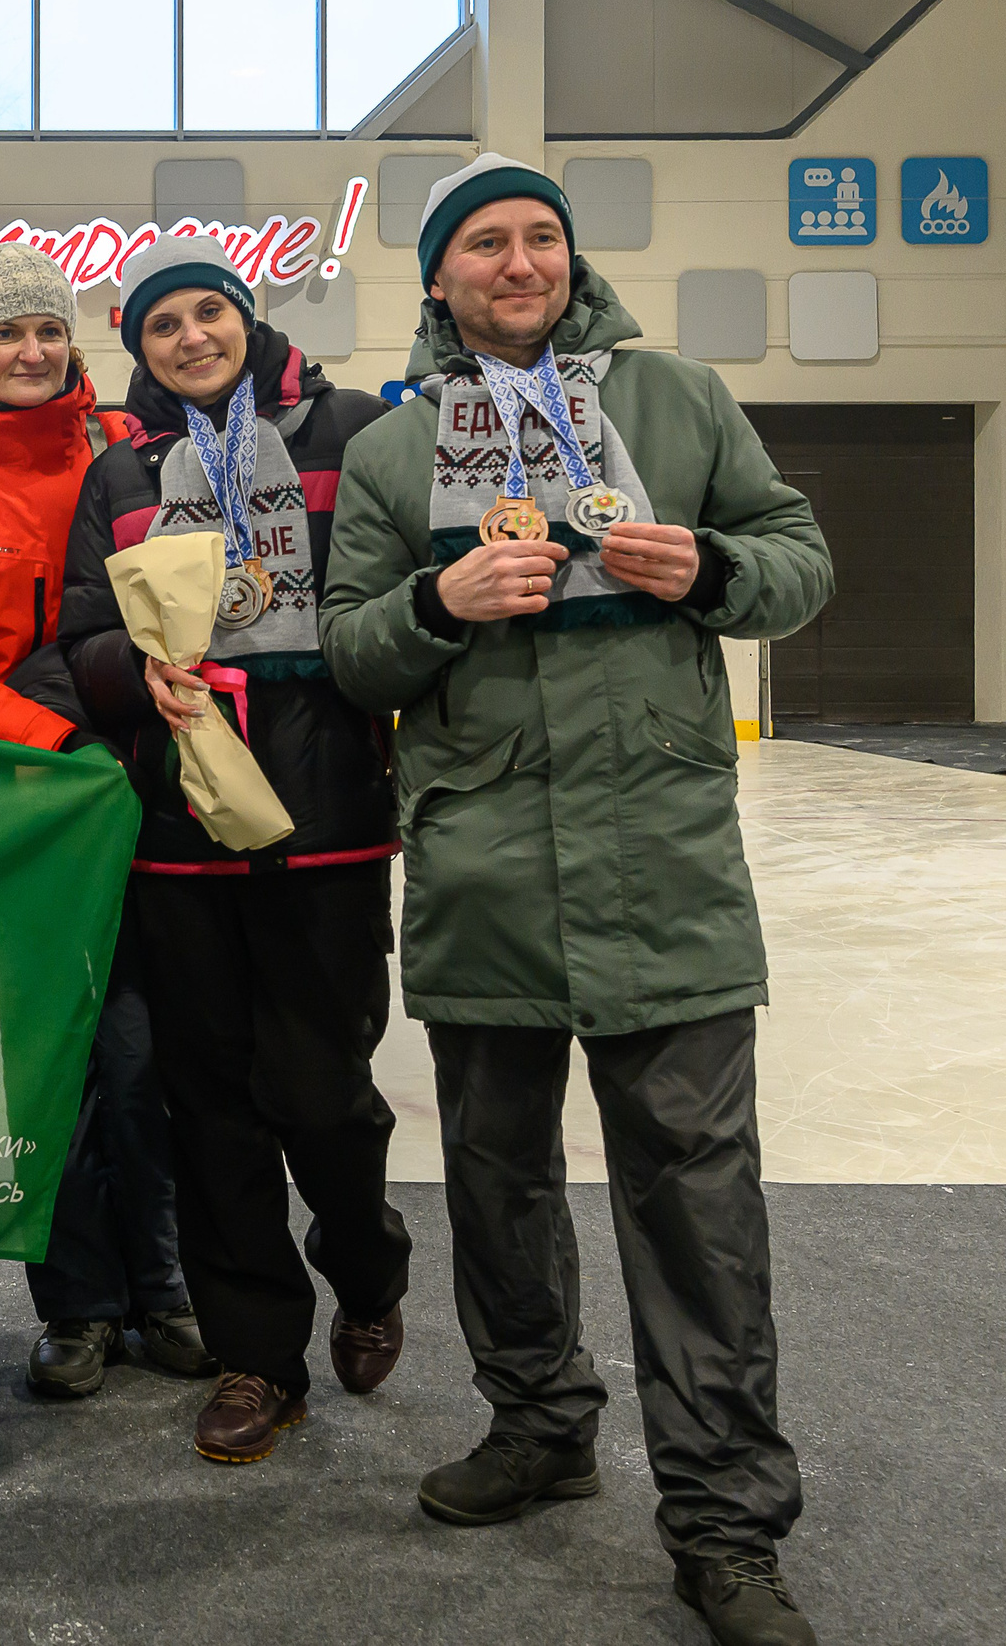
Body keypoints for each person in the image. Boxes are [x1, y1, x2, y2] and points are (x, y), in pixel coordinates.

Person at [318, 154, 833, 1646]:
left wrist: (715, 564)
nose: (520, 260)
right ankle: (539, 1422)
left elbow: (799, 561)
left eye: (542, 235)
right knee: (496, 1175)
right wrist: (436, 603)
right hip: (483, 867)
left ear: (571, 258)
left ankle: (727, 1521)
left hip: (662, 859)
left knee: (698, 1202)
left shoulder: (675, 398)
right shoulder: (394, 447)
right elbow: (351, 649)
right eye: (486, 242)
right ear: (439, 277)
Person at [58, 235, 408, 1461]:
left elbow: (399, 597)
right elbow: (79, 635)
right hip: (182, 828)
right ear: (138, 347)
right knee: (209, 1108)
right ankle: (260, 1357)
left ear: (248, 321)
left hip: (323, 822)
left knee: (321, 1095)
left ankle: (367, 1263)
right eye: (163, 325)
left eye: (209, 313)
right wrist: (128, 674)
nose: (190, 337)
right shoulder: (122, 469)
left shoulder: (347, 428)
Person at [0, 241, 209, 1397]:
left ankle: (164, 1290)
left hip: (156, 802)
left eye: (48, 331)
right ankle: (77, 1308)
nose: (32, 351)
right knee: (64, 1068)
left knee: (149, 1065)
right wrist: (56, 742)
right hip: (33, 811)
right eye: (6, 334)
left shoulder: (127, 455)